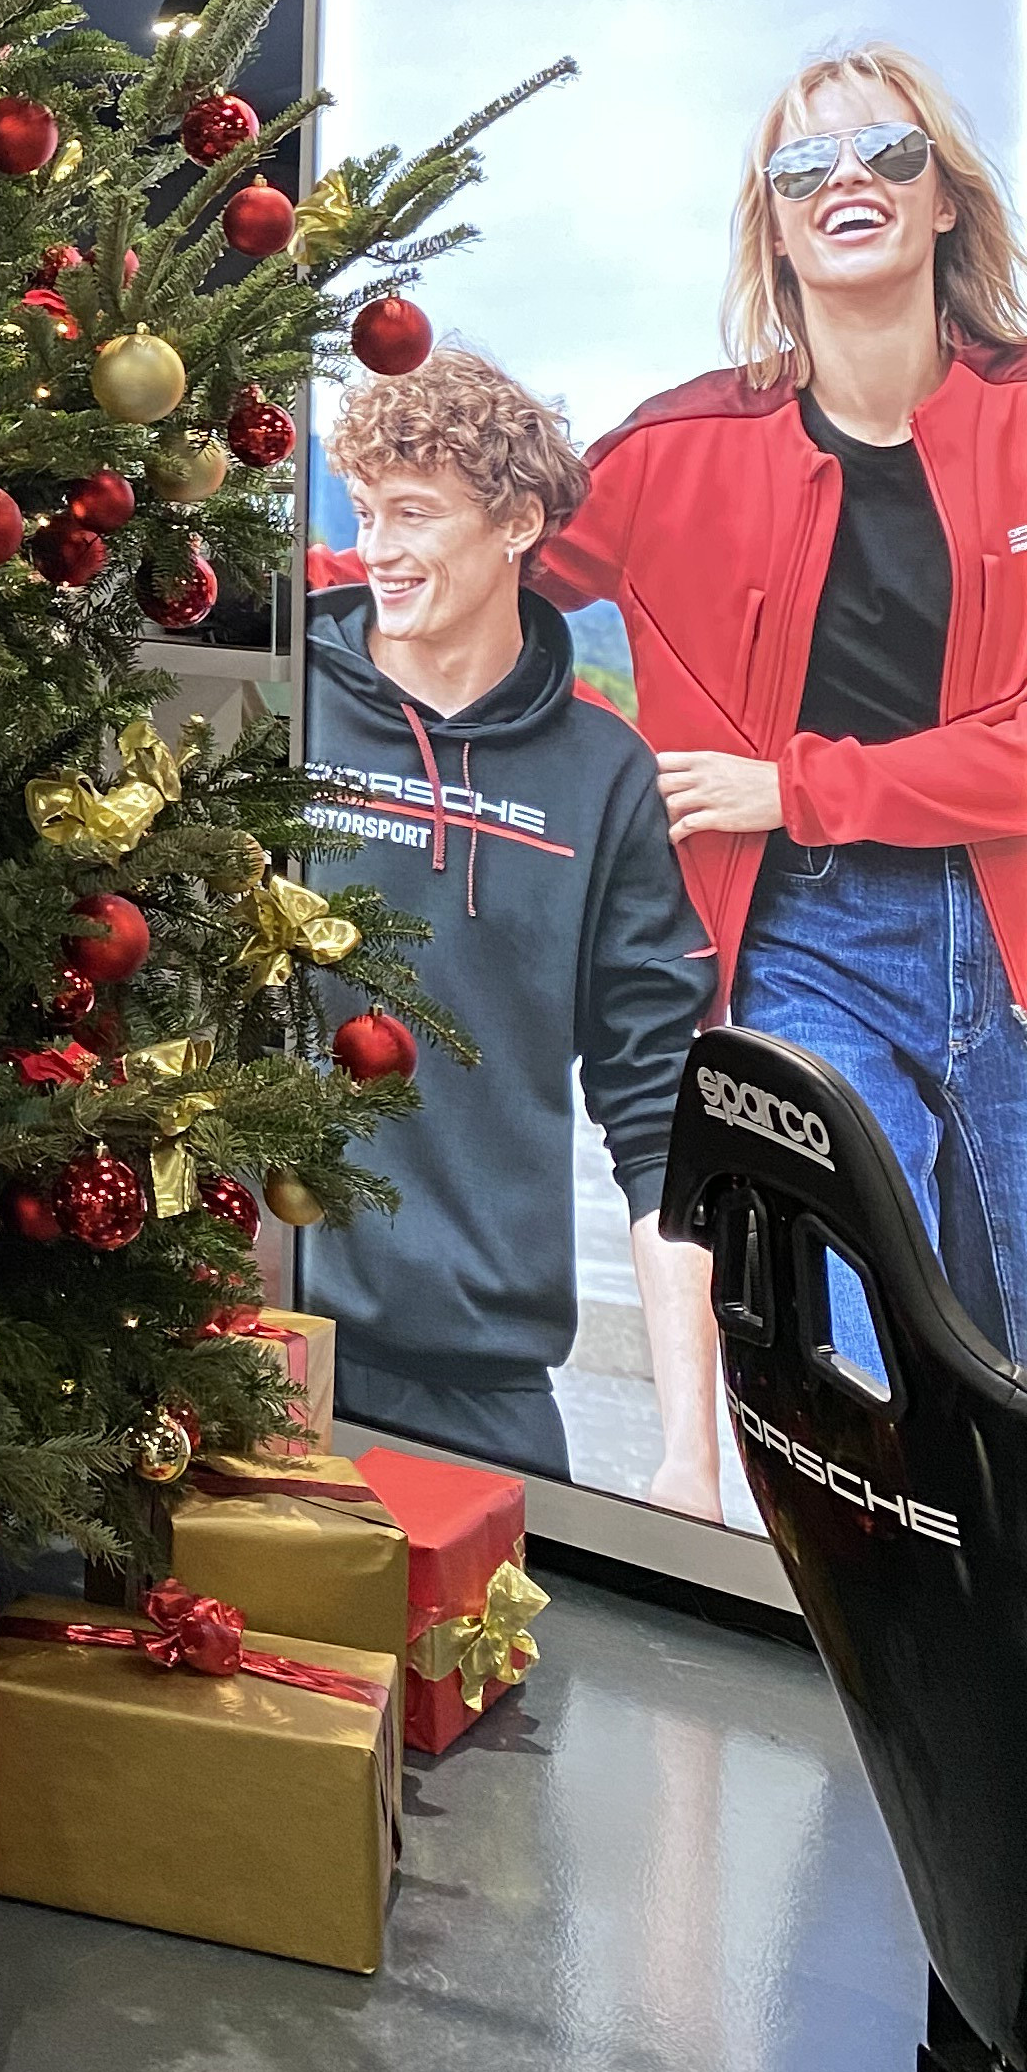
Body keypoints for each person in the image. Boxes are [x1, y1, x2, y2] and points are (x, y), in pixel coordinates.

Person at [531, 44, 1027, 1362]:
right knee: (856, 1361)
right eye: (805, 164)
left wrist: (798, 783)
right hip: (805, 935)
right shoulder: (675, 452)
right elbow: (473, 569)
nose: (847, 177)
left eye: (889, 151)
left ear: (943, 201)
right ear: (777, 224)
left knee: (1013, 1348)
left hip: (1014, 929)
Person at [302, 349, 723, 1504]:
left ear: (519, 523)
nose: (379, 549)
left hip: (486, 1389)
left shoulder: (604, 776)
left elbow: (662, 1127)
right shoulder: (281, 708)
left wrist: (693, 1455)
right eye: (370, 511)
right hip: (257, 1350)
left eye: (418, 515)